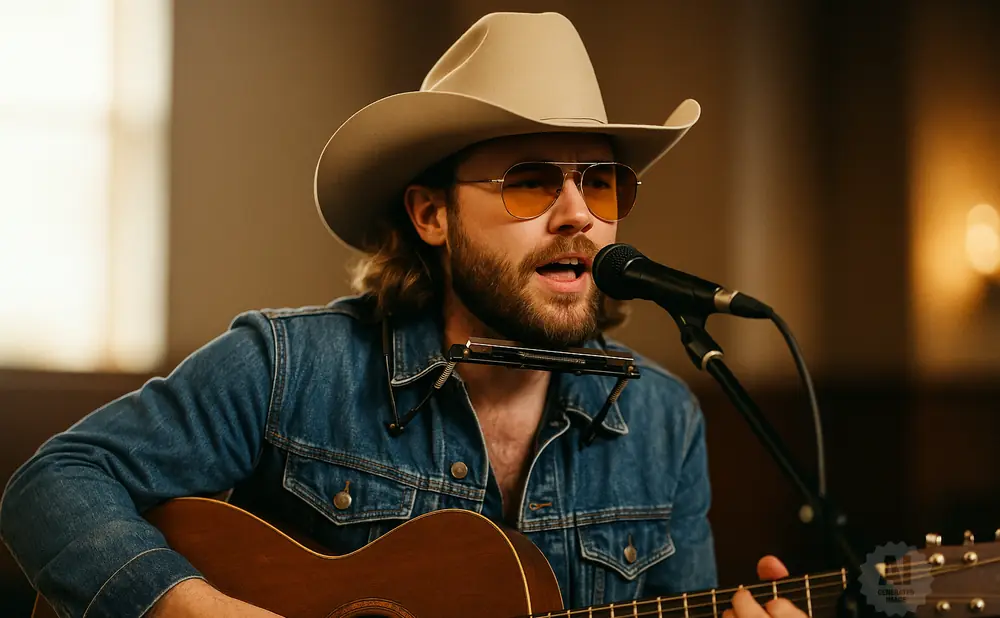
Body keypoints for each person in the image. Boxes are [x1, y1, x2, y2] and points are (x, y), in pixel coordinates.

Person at [0, 11, 807, 618]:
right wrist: (196, 609)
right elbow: (51, 485)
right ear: (431, 215)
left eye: (601, 184)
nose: (579, 217)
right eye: (531, 180)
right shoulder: (289, 367)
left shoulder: (664, 420)